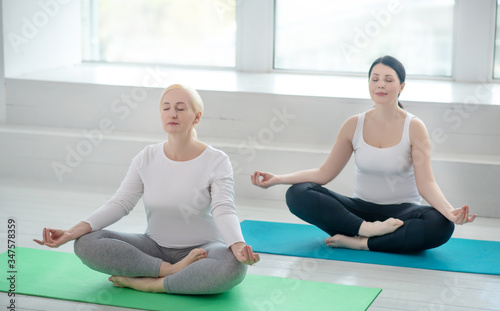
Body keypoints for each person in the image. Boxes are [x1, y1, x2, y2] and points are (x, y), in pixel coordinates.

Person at [35, 84, 260, 294]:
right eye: (166, 108)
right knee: (85, 243)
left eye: (181, 108)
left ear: (197, 117)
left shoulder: (216, 160)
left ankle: (151, 285)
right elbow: (120, 203)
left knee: (233, 267)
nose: (172, 113)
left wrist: (237, 245)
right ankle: (168, 272)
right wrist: (70, 232)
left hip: (204, 251)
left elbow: (223, 208)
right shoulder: (147, 157)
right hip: (154, 248)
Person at [251, 56, 476, 253]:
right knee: (297, 193)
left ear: (401, 86)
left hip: (401, 215)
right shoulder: (353, 124)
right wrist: (277, 180)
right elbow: (323, 173)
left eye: (388, 80)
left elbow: (426, 183)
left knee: (441, 225)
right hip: (357, 213)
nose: (381, 85)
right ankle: (366, 231)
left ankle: (361, 243)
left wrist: (449, 212)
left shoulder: (414, 127)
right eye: (375, 79)